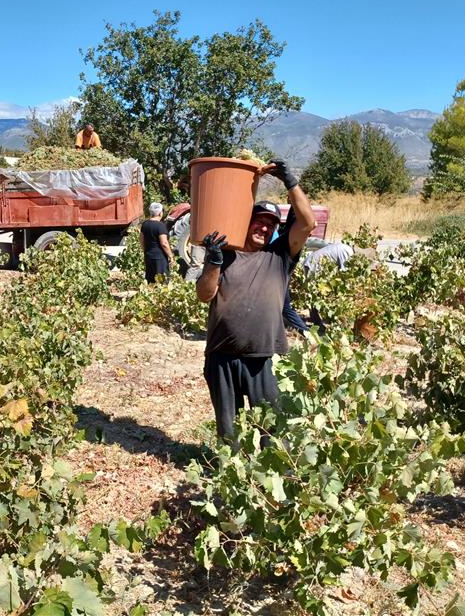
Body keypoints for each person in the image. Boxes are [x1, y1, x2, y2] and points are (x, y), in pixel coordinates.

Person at [196, 161, 316, 442]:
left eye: (270, 224)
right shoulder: (224, 253)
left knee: (273, 431)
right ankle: (232, 478)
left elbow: (308, 223)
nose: (264, 227)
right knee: (230, 432)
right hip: (221, 356)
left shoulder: (280, 255)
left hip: (263, 358)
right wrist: (213, 261)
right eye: (259, 220)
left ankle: (272, 480)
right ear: (246, 221)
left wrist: (289, 179)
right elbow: (204, 295)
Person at [303, 241, 377, 329]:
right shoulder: (347, 252)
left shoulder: (347, 249)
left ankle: (316, 320)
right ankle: (317, 322)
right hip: (314, 266)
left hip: (314, 265)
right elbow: (344, 275)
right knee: (316, 295)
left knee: (317, 295)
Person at [140, 202, 174, 283]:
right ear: (160, 213)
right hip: (159, 259)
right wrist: (171, 256)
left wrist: (146, 251)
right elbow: (164, 243)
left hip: (148, 256)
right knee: (161, 281)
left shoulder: (145, 224)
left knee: (151, 281)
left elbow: (141, 240)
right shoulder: (160, 226)